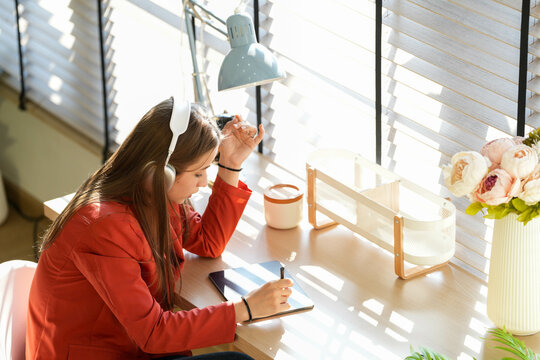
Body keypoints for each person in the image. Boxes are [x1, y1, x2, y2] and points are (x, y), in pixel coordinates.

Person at [26, 98, 294, 360]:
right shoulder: (102, 228)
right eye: (198, 173)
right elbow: (153, 332)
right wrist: (244, 309)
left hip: (130, 345)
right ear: (163, 171)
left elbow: (208, 242)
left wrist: (231, 164)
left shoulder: (154, 194)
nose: (203, 183)